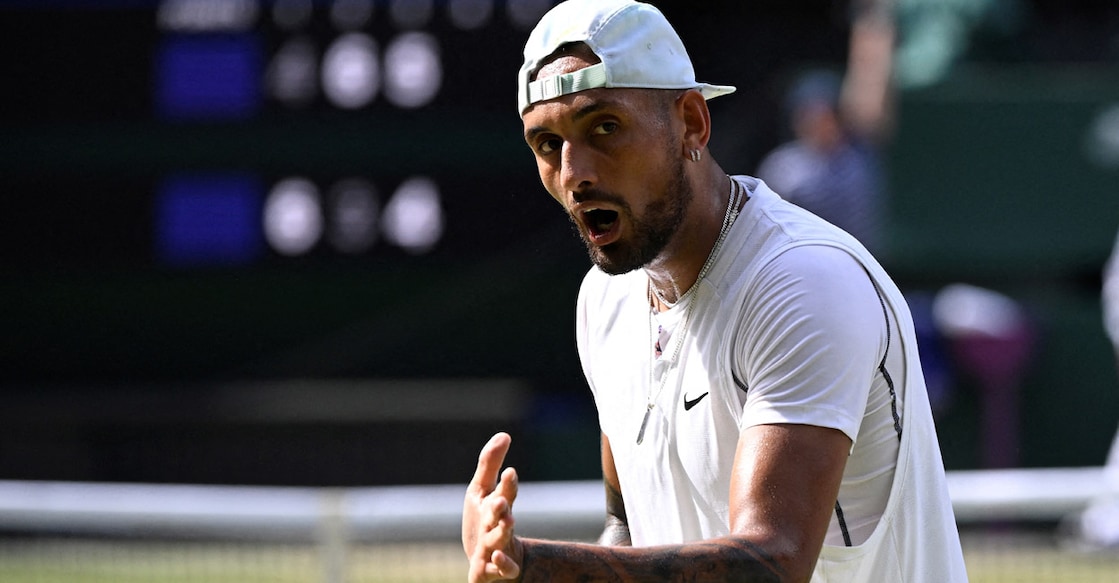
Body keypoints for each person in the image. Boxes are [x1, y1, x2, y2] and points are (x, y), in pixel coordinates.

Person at [461, 1, 968, 581]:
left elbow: (772, 563)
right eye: (547, 144)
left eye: (605, 127)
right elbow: (626, 530)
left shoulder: (802, 281)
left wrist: (539, 568)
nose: (575, 173)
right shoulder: (603, 301)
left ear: (692, 123)